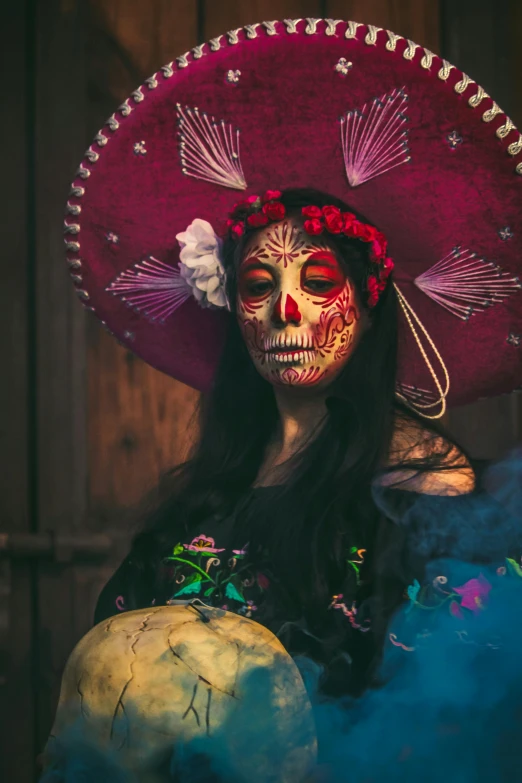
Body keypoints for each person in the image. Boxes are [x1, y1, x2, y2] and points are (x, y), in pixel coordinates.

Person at [61, 16, 522, 770]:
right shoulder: (210, 490)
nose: (286, 309)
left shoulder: (424, 488)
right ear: (232, 309)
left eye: (318, 281)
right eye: (256, 284)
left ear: (369, 306)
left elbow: (457, 716)